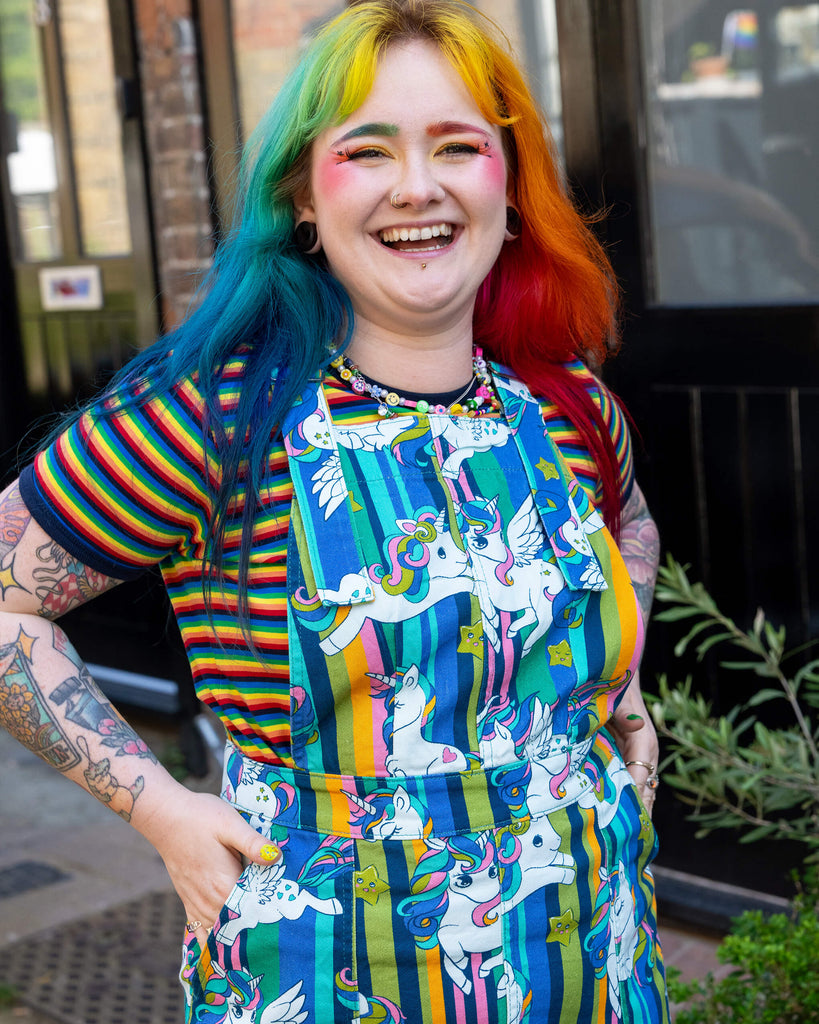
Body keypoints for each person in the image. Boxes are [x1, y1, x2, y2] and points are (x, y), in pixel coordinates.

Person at [0, 1, 667, 1020]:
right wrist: (163, 810)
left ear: (510, 186)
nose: (419, 186)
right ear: (304, 198)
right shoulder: (217, 421)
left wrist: (616, 687)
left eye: (457, 145)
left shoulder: (568, 403)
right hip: (324, 970)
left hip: (593, 962)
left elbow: (631, 530)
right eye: (368, 150)